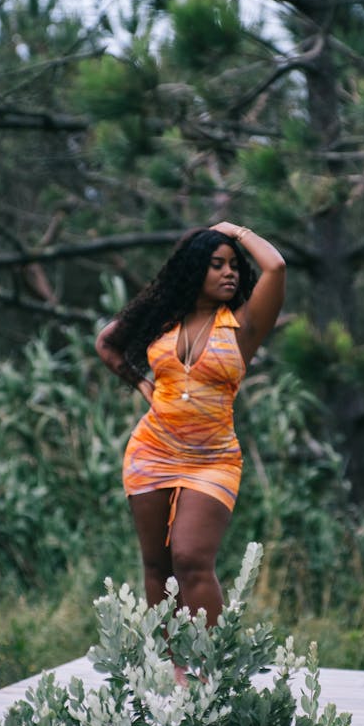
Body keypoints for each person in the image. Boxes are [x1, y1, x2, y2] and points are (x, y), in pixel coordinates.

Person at [95, 222, 285, 631]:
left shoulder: (244, 324)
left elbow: (276, 267)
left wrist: (236, 231)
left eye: (234, 265)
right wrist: (142, 382)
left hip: (212, 460)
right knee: (157, 566)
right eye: (216, 265)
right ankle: (171, 669)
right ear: (195, 269)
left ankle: (215, 664)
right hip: (152, 450)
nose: (230, 272)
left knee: (191, 560)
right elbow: (107, 342)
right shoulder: (163, 319)